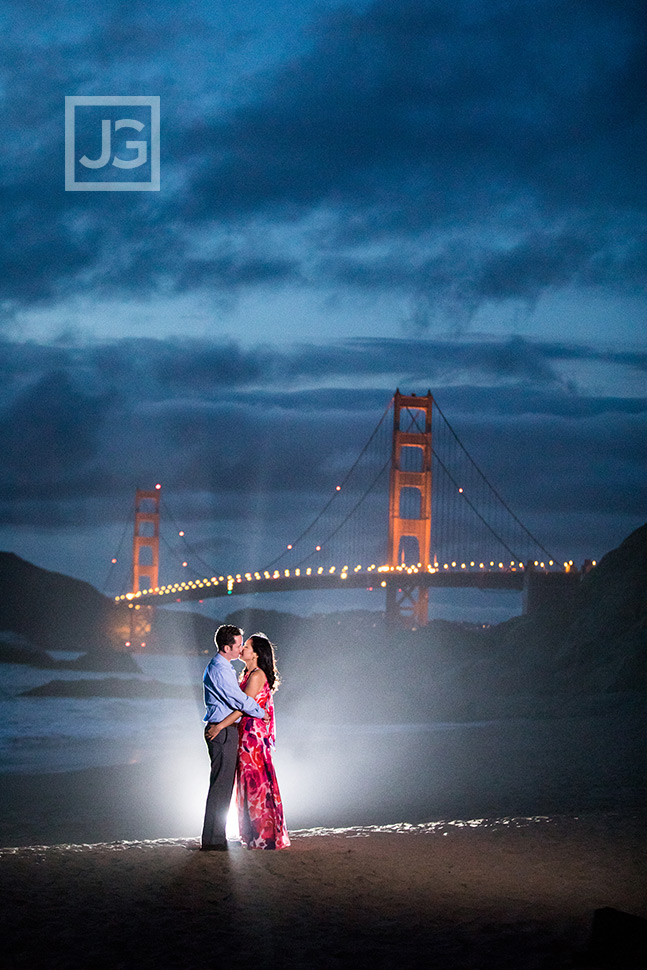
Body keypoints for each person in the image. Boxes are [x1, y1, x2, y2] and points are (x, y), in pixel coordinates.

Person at [205, 632, 290, 850]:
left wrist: (221, 725)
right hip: (245, 732)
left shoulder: (256, 675)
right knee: (247, 785)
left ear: (256, 654)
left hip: (251, 736)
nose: (242, 649)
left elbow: (243, 705)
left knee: (256, 785)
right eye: (241, 645)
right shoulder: (245, 673)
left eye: (247, 647)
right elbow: (241, 704)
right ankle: (252, 835)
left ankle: (262, 836)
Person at [201, 624, 267, 851]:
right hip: (222, 731)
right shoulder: (220, 670)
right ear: (227, 647)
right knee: (221, 786)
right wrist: (262, 712)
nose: (240, 649)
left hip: (224, 729)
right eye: (238, 645)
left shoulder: (223, 667)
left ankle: (215, 838)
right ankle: (213, 841)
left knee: (222, 785)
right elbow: (239, 700)